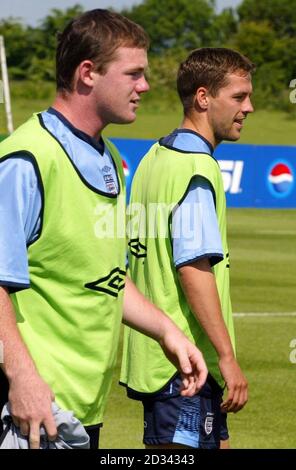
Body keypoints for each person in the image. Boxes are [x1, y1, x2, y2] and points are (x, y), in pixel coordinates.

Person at [0, 10, 208, 450]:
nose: (146, 86)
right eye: (134, 73)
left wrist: (167, 330)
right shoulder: (27, 160)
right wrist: (22, 376)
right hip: (29, 409)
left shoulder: (110, 157)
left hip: (80, 410)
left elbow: (108, 278)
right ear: (88, 73)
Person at [121, 47, 255, 449]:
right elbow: (193, 268)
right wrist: (227, 357)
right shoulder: (197, 169)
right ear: (202, 97)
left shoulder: (153, 157)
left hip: (160, 359)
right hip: (186, 367)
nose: (249, 107)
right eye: (238, 97)